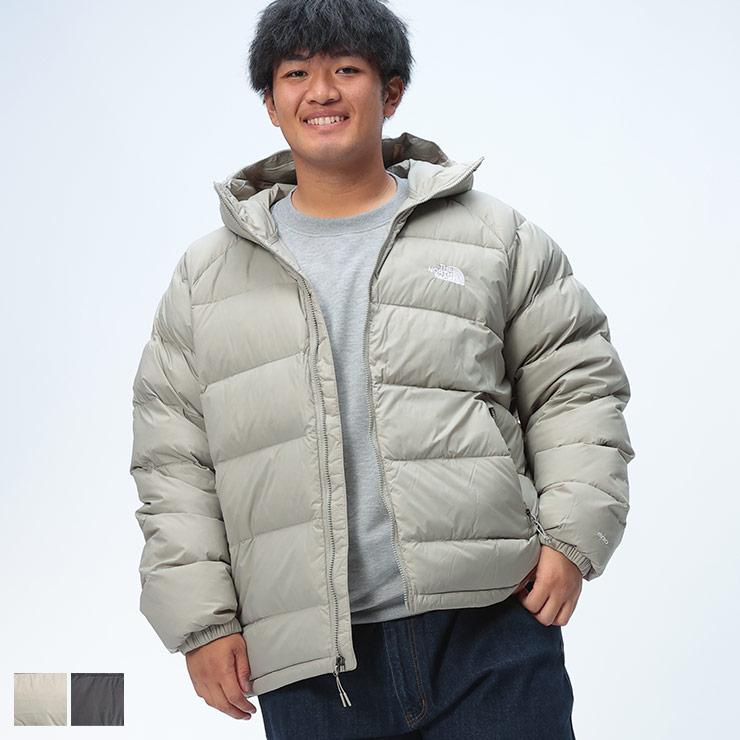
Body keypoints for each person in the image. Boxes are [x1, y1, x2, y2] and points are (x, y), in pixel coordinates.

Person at [129, 0, 635, 737]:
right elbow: (172, 456)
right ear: (270, 103)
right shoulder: (207, 278)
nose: (321, 92)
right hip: (310, 663)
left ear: (390, 92)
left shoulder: (490, 235)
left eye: (347, 70)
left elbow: (576, 381)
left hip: (489, 627)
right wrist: (202, 621)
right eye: (295, 74)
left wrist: (570, 537)